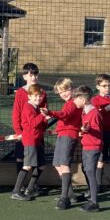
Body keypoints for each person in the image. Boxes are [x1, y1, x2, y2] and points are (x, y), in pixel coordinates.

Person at [43, 77, 82, 210]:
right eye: (61, 92)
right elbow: (66, 117)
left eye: (66, 90)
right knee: (57, 165)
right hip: (63, 134)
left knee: (64, 165)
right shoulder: (69, 103)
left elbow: (64, 115)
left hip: (68, 135)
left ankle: (64, 198)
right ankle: (70, 194)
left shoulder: (72, 103)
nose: (64, 93)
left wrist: (50, 113)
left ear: (72, 89)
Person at [11, 62, 47, 193]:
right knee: (22, 158)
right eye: (31, 74)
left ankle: (32, 185)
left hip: (38, 133)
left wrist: (43, 127)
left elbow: (44, 111)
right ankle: (19, 186)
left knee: (39, 161)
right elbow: (16, 113)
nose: (34, 77)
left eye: (36, 74)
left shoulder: (41, 92)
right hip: (25, 133)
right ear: (24, 76)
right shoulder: (21, 93)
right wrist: (18, 131)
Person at [78, 85, 103, 212]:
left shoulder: (94, 113)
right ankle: (92, 198)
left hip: (93, 147)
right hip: (87, 145)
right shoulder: (85, 112)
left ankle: (94, 203)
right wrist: (83, 132)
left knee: (90, 172)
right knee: (86, 170)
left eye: (76, 98)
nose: (74, 101)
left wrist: (88, 130)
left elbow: (97, 130)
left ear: (83, 99)